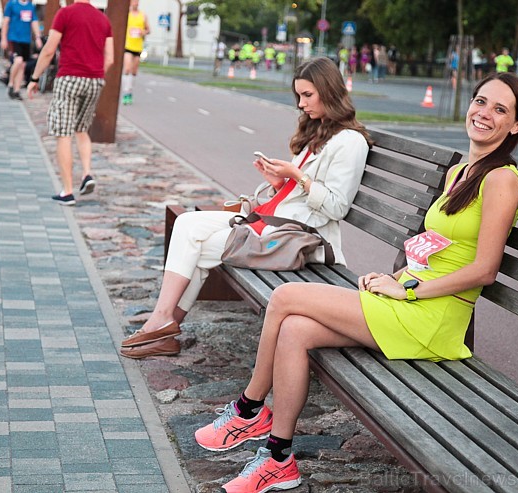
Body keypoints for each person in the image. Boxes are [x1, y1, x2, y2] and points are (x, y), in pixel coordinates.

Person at [194, 71, 518, 493]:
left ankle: (248, 409)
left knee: (285, 298)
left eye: (500, 109)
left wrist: (407, 289)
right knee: (295, 330)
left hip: (433, 319)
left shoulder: (502, 179)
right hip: (412, 301)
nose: (483, 113)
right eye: (480, 101)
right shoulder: (461, 172)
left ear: (516, 126)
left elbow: (484, 269)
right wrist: (394, 276)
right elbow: (437, 249)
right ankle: (278, 459)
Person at [119, 57, 370, 359]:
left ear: (329, 91)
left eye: (307, 95)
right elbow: (298, 195)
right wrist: (279, 182)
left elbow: (336, 207)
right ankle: (164, 324)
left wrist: (297, 175)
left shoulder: (351, 142)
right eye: (299, 96)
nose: (301, 104)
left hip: (301, 237)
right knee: (187, 223)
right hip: (273, 221)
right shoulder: (319, 133)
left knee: (199, 247)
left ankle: (161, 326)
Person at [27, 0, 113, 207]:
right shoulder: (103, 19)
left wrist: (35, 78)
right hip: (95, 80)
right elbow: (109, 59)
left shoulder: (65, 14)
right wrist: (96, 75)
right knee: (82, 129)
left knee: (64, 133)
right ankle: (87, 173)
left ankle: (67, 191)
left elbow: (49, 50)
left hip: (70, 79)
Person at [1, 0, 43, 101]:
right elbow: (5, 22)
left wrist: (37, 37)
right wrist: (3, 38)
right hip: (14, 38)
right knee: (18, 61)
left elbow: (34, 22)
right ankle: (10, 83)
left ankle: (16, 90)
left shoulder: (30, 6)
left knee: (23, 65)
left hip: (26, 40)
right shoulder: (12, 4)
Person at [122, 0, 150, 105]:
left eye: (137, 1)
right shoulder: (126, 15)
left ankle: (130, 91)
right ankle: (126, 92)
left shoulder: (143, 16)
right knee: (127, 68)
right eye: (133, 1)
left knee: (134, 71)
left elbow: (148, 29)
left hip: (138, 47)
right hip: (128, 46)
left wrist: (144, 32)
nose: (135, 3)